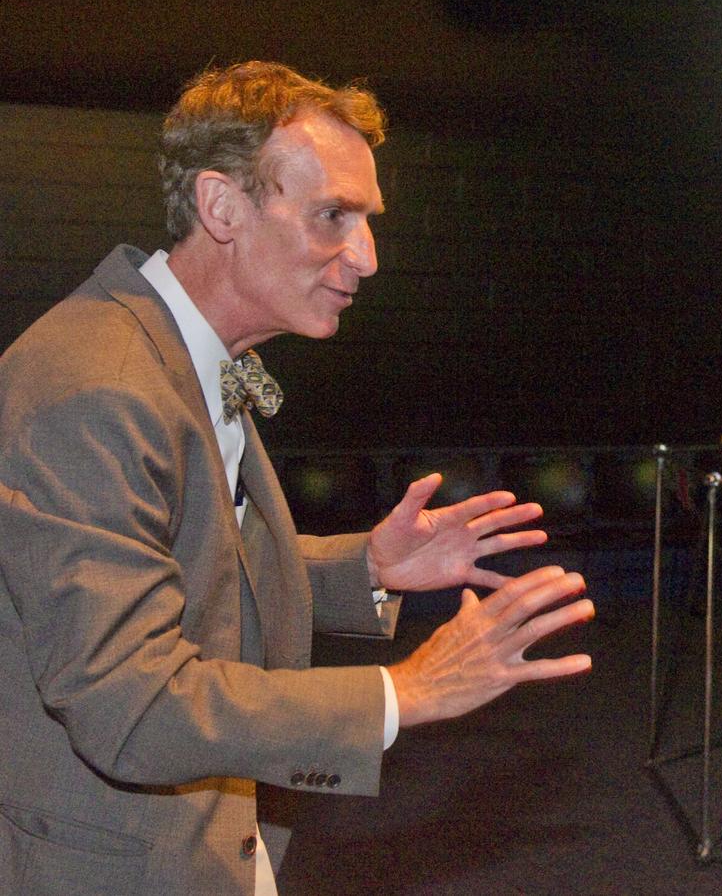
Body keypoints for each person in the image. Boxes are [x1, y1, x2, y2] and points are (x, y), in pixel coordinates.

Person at [0, 61, 594, 896]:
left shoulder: (179, 353)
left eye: (368, 221)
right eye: (332, 216)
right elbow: (130, 707)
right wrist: (404, 692)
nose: (368, 258)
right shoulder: (100, 387)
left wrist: (369, 567)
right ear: (221, 207)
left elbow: (191, 568)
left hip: (205, 842)